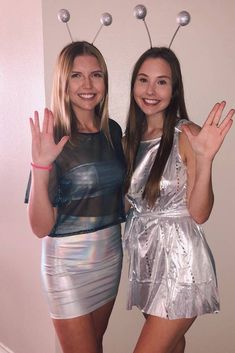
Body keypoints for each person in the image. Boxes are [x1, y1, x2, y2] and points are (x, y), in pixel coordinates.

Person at [123, 47, 234, 353]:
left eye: (161, 82)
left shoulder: (188, 134)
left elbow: (199, 214)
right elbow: (125, 206)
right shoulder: (128, 141)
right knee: (173, 346)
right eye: (143, 80)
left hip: (180, 263)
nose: (150, 90)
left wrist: (205, 159)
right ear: (133, 85)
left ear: (174, 89)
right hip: (145, 258)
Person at [25, 41, 126, 353]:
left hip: (109, 254)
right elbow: (41, 227)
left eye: (96, 75)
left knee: (95, 345)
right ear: (63, 82)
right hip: (66, 263)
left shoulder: (113, 129)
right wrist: (41, 167)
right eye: (76, 76)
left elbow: (119, 197)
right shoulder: (54, 135)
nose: (87, 84)